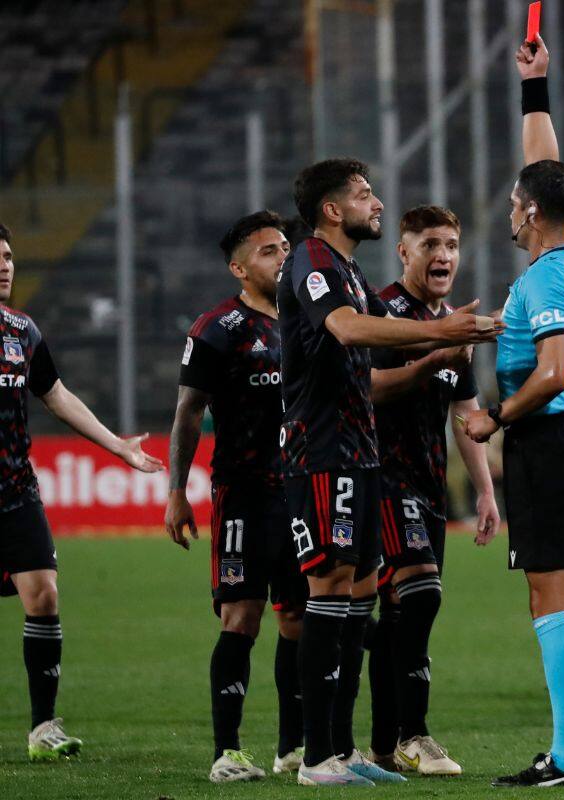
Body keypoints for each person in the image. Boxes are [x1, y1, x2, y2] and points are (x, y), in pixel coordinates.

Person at [279, 159, 499, 786]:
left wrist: (449, 338)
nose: (375, 202)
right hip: (321, 451)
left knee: (352, 602)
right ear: (330, 208)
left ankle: (347, 749)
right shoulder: (313, 262)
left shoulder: (346, 269)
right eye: (364, 194)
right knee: (329, 595)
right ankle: (318, 757)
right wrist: (443, 338)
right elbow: (348, 332)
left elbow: (412, 369)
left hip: (359, 454)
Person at [462, 34, 564, 787]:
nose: (511, 211)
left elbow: (554, 372)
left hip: (549, 443)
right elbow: (547, 171)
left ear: (529, 213)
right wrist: (537, 87)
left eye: (516, 203)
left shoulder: (545, 283)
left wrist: (496, 414)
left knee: (548, 596)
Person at [0, 222, 163, 760]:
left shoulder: (22, 330)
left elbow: (57, 395)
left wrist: (116, 446)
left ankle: (43, 728)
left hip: (16, 489)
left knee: (44, 596)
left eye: (9, 256)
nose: (5, 265)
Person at [164, 211, 308, 782]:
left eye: (285, 248)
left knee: (298, 617)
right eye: (270, 251)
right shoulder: (217, 327)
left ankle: (292, 748)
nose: (283, 257)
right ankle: (227, 751)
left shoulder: (306, 320)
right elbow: (187, 413)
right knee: (241, 617)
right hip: (243, 496)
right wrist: (177, 491)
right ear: (239, 267)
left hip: (301, 494)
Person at [363, 204, 501, 776]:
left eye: (450, 244)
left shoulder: (453, 323)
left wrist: (487, 492)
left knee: (400, 616)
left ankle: (380, 745)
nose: (442, 255)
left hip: (428, 486)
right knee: (422, 596)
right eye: (429, 245)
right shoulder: (383, 313)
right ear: (404, 251)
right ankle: (416, 736)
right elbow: (368, 388)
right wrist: (433, 357)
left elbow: (464, 415)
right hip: (381, 477)